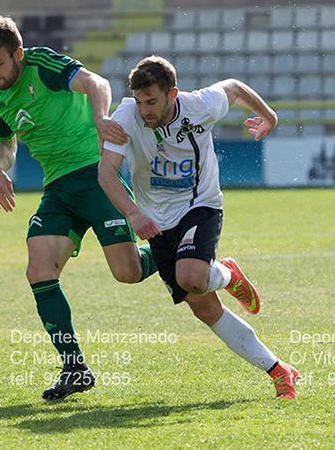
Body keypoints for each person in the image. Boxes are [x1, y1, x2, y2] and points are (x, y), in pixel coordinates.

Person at [0, 15, 158, 401]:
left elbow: (96, 82)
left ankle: (174, 248)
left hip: (95, 176)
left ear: (18, 54)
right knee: (38, 268)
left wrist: (101, 116)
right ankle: (75, 368)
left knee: (128, 272)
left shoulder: (42, 66)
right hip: (57, 189)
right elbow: (5, 141)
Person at [98, 55, 300, 400]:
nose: (145, 110)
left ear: (172, 94)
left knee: (191, 277)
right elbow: (106, 173)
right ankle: (279, 370)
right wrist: (133, 213)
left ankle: (224, 274)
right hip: (155, 219)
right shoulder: (126, 116)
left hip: (200, 204)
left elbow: (234, 88)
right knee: (205, 309)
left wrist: (269, 115)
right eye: (141, 101)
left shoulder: (200, 105)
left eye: (153, 101)